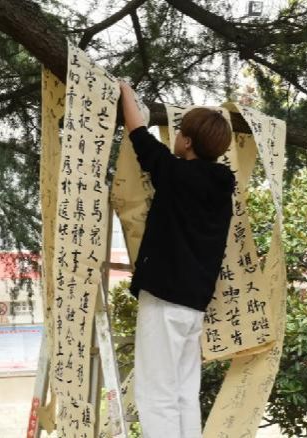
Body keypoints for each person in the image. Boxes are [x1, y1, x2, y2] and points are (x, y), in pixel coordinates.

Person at [118, 81, 235, 438]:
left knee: (157, 394)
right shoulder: (222, 189)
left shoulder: (175, 174)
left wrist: (124, 89)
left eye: (180, 132)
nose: (176, 137)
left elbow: (138, 133)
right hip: (194, 306)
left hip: (165, 299)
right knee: (184, 392)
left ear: (187, 142)